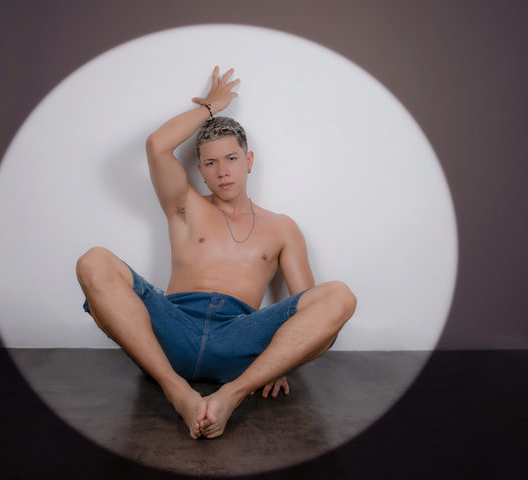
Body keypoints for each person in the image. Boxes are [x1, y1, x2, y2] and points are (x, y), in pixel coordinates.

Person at [76, 66, 357, 439]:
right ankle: (176, 391)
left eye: (231, 159)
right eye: (211, 163)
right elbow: (157, 145)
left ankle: (231, 395)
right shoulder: (184, 206)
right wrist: (212, 106)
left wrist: (280, 364)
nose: (223, 171)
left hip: (240, 338)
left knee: (339, 296)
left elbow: (307, 308)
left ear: (248, 161)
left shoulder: (282, 228)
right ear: (201, 171)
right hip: (172, 329)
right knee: (93, 261)